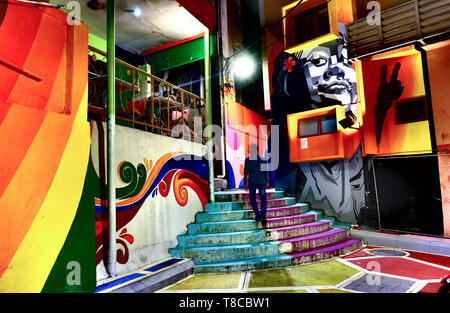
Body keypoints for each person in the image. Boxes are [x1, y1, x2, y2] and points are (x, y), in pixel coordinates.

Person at [244, 144, 270, 228]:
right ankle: (263, 217)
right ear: (257, 150)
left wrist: (245, 184)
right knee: (263, 199)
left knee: (253, 198)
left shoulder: (247, 160)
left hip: (252, 182)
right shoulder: (262, 159)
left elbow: (245, 173)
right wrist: (266, 182)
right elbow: (265, 172)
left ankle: (258, 215)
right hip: (261, 181)